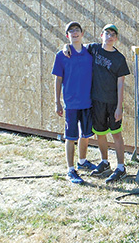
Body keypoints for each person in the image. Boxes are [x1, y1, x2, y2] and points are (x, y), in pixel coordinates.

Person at [64, 24, 130, 183]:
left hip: (112, 103)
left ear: (116, 38)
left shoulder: (119, 58)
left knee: (116, 134)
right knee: (100, 133)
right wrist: (65, 45)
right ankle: (105, 162)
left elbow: (121, 84)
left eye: (113, 34)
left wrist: (119, 106)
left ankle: (121, 167)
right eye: (107, 33)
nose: (110, 36)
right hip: (97, 101)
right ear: (101, 35)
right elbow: (77, 45)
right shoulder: (93, 49)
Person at [52, 21, 96, 185]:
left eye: (77, 30)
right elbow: (58, 79)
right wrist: (57, 102)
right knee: (71, 137)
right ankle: (71, 169)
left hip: (87, 102)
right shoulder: (62, 55)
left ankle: (82, 161)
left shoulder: (89, 53)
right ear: (67, 35)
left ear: (82, 34)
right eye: (71, 31)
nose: (75, 33)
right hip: (70, 103)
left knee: (85, 135)